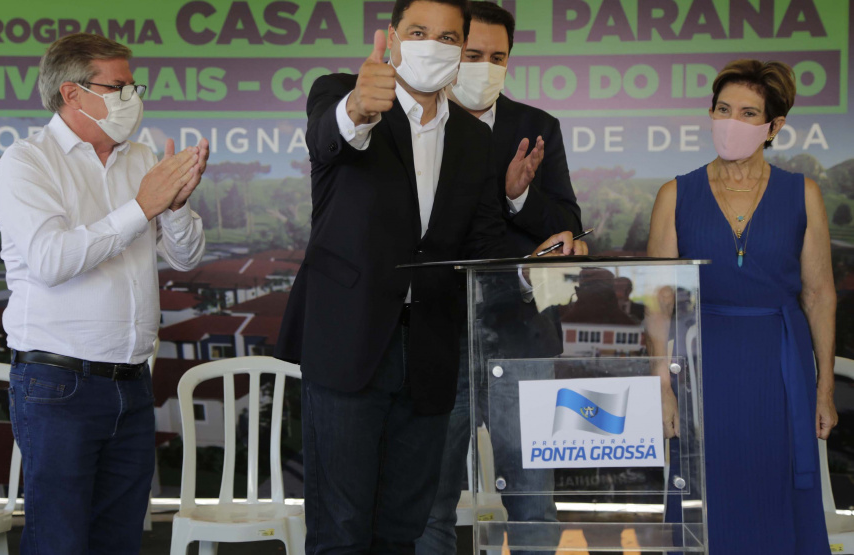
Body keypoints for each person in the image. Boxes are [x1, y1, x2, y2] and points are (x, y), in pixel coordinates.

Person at [274, 1, 580, 552]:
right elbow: (326, 139)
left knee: (404, 527)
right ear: (392, 38)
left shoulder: (473, 137)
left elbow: (482, 247)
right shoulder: (343, 93)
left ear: (459, 50)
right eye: (419, 32)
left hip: (432, 353)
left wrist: (531, 269)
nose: (433, 46)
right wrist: (356, 109)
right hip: (350, 343)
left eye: (447, 37)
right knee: (340, 528)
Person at [0, 33, 208, 555]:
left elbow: (187, 258)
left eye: (135, 87)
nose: (133, 98)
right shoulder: (27, 162)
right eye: (119, 87)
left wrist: (176, 205)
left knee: (120, 540)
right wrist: (142, 207)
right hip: (57, 384)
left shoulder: (142, 157)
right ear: (72, 93)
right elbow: (51, 260)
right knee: (59, 542)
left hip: (131, 381)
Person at [647, 59, 837, 553]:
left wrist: (824, 388)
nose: (731, 122)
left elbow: (819, 295)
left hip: (780, 366)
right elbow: (658, 300)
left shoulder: (803, 194)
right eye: (723, 109)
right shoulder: (675, 194)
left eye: (748, 113)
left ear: (774, 126)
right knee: (706, 496)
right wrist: (661, 387)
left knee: (778, 492)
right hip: (701, 366)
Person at [417, 2, 583, 553]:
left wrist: (519, 197)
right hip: (440, 335)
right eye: (472, 55)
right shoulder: (420, 124)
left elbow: (567, 222)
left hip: (521, 335)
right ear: (450, 51)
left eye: (497, 57)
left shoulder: (537, 127)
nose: (485, 67)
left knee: (533, 502)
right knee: (430, 504)